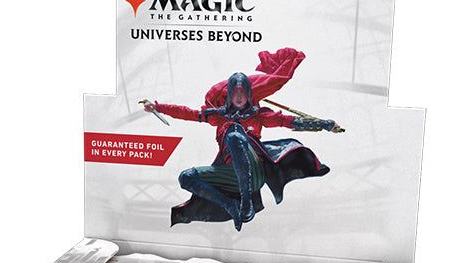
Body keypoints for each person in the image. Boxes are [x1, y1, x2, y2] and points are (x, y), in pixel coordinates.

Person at [145, 48, 341, 230]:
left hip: (254, 172)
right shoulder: (217, 115)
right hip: (229, 175)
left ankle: (247, 204)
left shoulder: (259, 115)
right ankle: (230, 205)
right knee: (186, 177)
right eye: (235, 91)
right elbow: (187, 113)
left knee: (234, 135)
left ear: (248, 93)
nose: (239, 96)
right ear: (230, 94)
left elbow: (291, 121)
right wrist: (158, 107)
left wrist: (324, 124)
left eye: (242, 91)